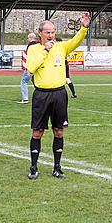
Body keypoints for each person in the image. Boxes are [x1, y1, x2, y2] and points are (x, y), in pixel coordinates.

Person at [26, 12, 92, 180]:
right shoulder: (33, 49)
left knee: (59, 131)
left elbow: (75, 41)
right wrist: (45, 51)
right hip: (41, 95)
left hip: (59, 95)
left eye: (53, 32)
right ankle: (33, 167)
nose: (51, 35)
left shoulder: (61, 47)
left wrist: (84, 27)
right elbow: (31, 68)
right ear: (40, 33)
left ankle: (57, 167)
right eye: (48, 32)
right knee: (37, 132)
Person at [19, 32, 39, 104]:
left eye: (28, 38)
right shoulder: (39, 44)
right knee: (36, 82)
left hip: (31, 67)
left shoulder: (30, 46)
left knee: (24, 81)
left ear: (31, 38)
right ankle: (40, 97)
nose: (27, 39)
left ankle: (25, 99)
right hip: (38, 67)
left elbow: (30, 57)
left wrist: (27, 68)